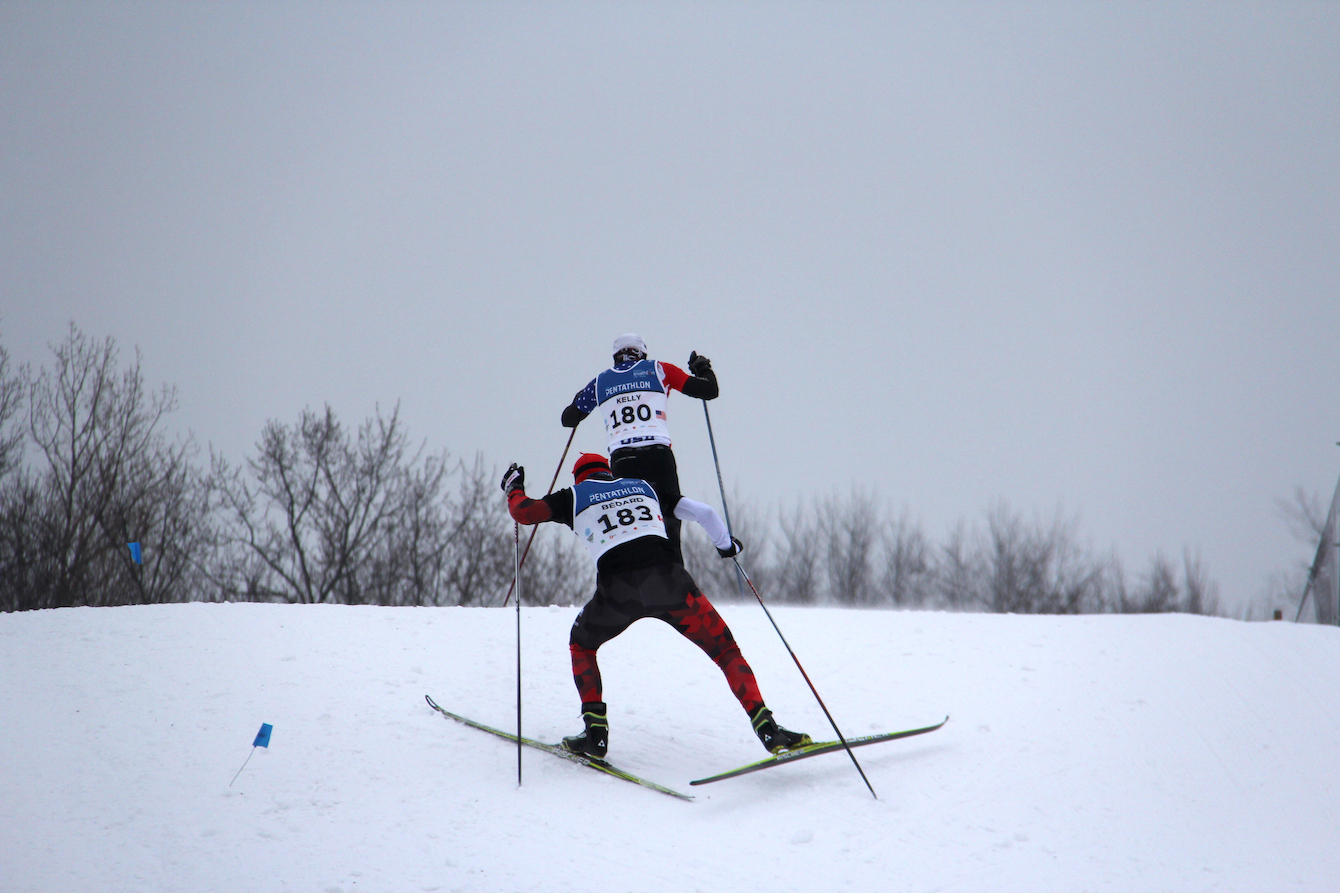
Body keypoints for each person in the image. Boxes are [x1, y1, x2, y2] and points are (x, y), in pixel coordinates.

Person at [501, 452, 811, 759]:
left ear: (578, 478)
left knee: (582, 644)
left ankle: (595, 735)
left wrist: (514, 487)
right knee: (726, 651)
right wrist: (726, 546)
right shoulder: (644, 486)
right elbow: (703, 512)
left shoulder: (574, 495)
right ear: (609, 472)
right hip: (671, 586)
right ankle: (768, 728)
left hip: (618, 592)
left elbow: (524, 513)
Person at [560, 333, 718, 564]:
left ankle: (639, 576)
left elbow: (568, 419)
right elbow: (709, 390)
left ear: (616, 356)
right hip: (659, 455)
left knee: (638, 527)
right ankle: (676, 577)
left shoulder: (600, 382)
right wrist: (702, 368)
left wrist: (579, 401)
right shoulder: (659, 369)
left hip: (624, 460)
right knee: (670, 518)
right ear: (642, 353)